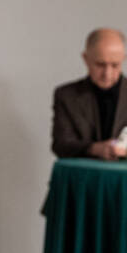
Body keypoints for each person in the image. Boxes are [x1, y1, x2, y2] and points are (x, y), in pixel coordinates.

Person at [51, 27, 127, 159]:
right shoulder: (67, 96)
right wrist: (94, 149)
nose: (107, 74)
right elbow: (61, 145)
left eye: (115, 65)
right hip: (82, 172)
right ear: (86, 59)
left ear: (123, 59)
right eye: (100, 65)